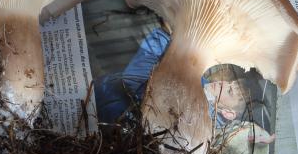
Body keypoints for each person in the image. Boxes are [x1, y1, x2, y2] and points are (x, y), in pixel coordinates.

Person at [94, 27, 253, 128]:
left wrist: (166, 40)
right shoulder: (198, 80)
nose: (222, 83)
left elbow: (133, 81)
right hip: (102, 95)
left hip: (104, 110)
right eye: (229, 83)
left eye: (230, 91)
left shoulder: (194, 120)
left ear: (228, 113)